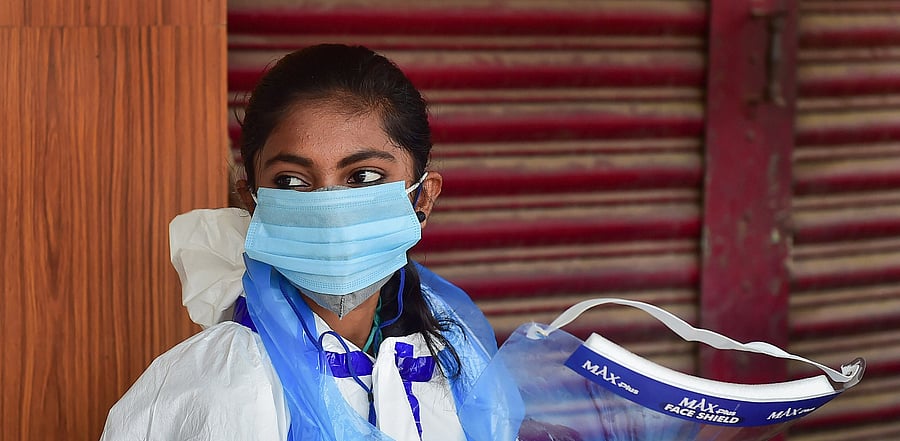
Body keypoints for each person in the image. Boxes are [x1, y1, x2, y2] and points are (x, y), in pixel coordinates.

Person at [100, 44, 500, 441]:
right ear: (253, 203)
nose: (329, 211)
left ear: (422, 199)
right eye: (292, 181)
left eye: (364, 177)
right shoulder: (220, 387)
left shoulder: (453, 357)